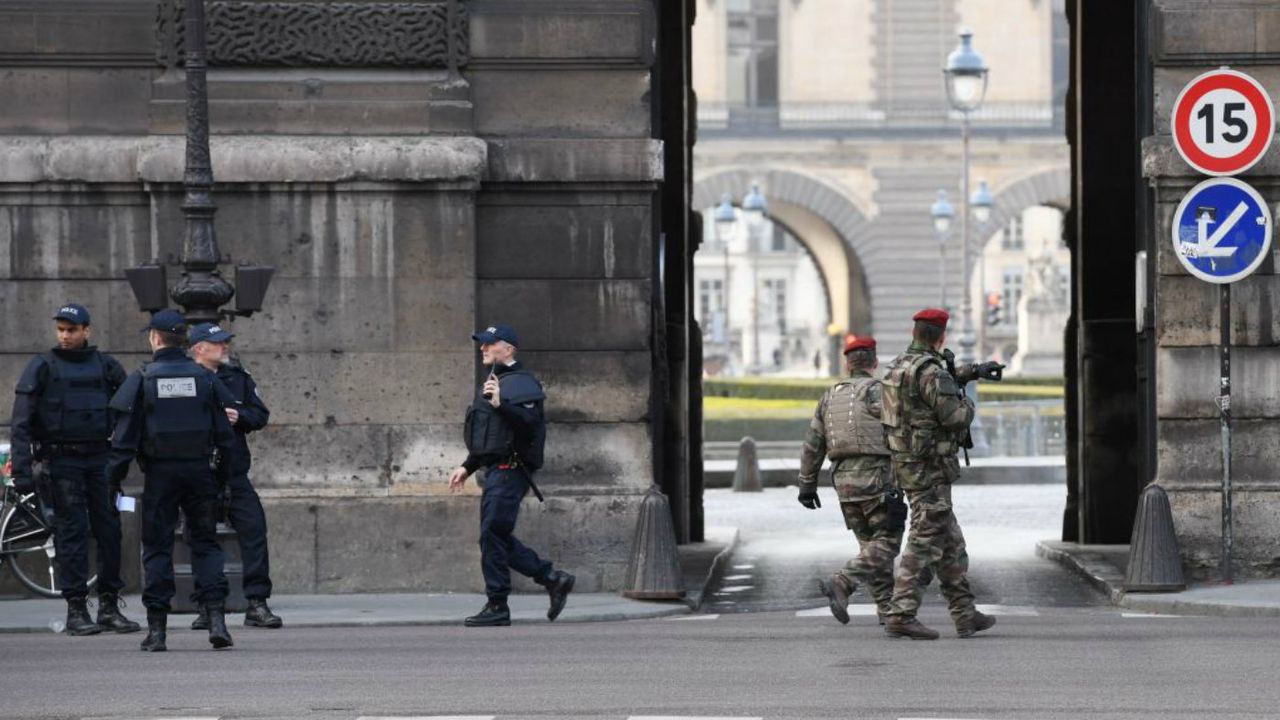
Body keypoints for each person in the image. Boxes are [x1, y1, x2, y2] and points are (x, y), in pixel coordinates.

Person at [106, 309, 238, 652]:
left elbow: (123, 440)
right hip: (200, 473)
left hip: (161, 474)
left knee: (157, 548)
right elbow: (225, 436)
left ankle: (158, 630)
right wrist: (223, 480)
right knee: (206, 544)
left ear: (155, 338)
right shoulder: (205, 378)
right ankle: (216, 619)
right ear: (185, 341)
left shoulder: (143, 378)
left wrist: (112, 481)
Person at [8, 303, 140, 635]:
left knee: (110, 531)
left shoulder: (105, 365)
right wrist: (22, 472)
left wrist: (121, 458)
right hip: (62, 460)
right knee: (72, 534)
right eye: (61, 330)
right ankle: (76, 609)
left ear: (86, 331)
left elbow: (129, 413)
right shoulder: (42, 366)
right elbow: (21, 423)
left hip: (100, 460)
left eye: (71, 330)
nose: (65, 336)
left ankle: (109, 606)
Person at [879, 308, 1004, 640]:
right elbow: (953, 417)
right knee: (923, 541)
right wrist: (969, 404)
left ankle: (965, 614)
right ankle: (901, 613)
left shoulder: (897, 367)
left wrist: (971, 372)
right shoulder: (931, 372)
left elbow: (925, 389)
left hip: (907, 465)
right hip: (930, 469)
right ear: (941, 336)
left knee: (950, 544)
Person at [447, 324, 575, 627]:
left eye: (490, 344)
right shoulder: (493, 382)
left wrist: (501, 405)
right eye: (482, 344)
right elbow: (489, 436)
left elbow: (528, 423)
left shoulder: (521, 382)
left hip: (512, 469)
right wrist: (467, 466)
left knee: (492, 534)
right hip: (496, 470)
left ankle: (498, 604)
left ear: (509, 349)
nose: (483, 348)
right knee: (495, 535)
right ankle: (551, 578)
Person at [797, 335, 907, 626]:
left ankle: (887, 609)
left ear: (847, 363)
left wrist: (807, 484)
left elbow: (813, 444)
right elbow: (902, 434)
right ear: (874, 362)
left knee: (869, 546)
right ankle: (843, 581)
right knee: (887, 543)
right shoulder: (881, 392)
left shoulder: (829, 397)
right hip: (877, 479)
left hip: (844, 484)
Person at [186, 322, 282, 630]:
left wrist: (239, 417)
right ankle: (207, 605)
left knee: (254, 532)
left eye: (225, 341)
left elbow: (260, 415)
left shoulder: (238, 379)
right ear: (199, 348)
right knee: (200, 538)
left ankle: (257, 603)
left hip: (234, 472)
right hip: (199, 473)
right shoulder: (183, 378)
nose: (225, 346)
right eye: (218, 342)